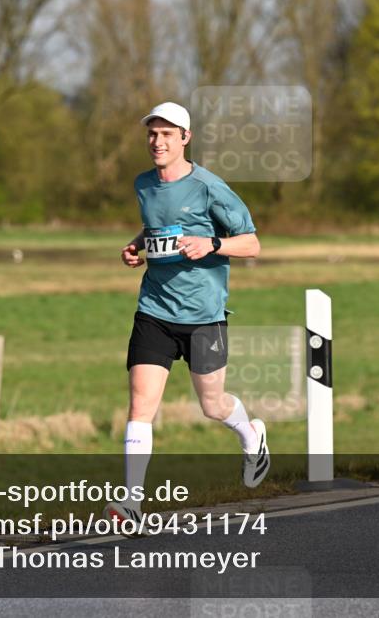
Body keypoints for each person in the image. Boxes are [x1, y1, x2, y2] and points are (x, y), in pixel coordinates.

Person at [104, 102, 267, 526]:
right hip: (154, 310)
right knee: (140, 405)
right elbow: (157, 226)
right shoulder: (144, 184)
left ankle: (251, 434)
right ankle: (131, 504)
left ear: (185, 138)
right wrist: (137, 246)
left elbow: (251, 243)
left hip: (203, 315)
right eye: (152, 134)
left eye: (166, 134)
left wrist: (212, 244)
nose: (157, 142)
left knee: (212, 404)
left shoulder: (210, 187)